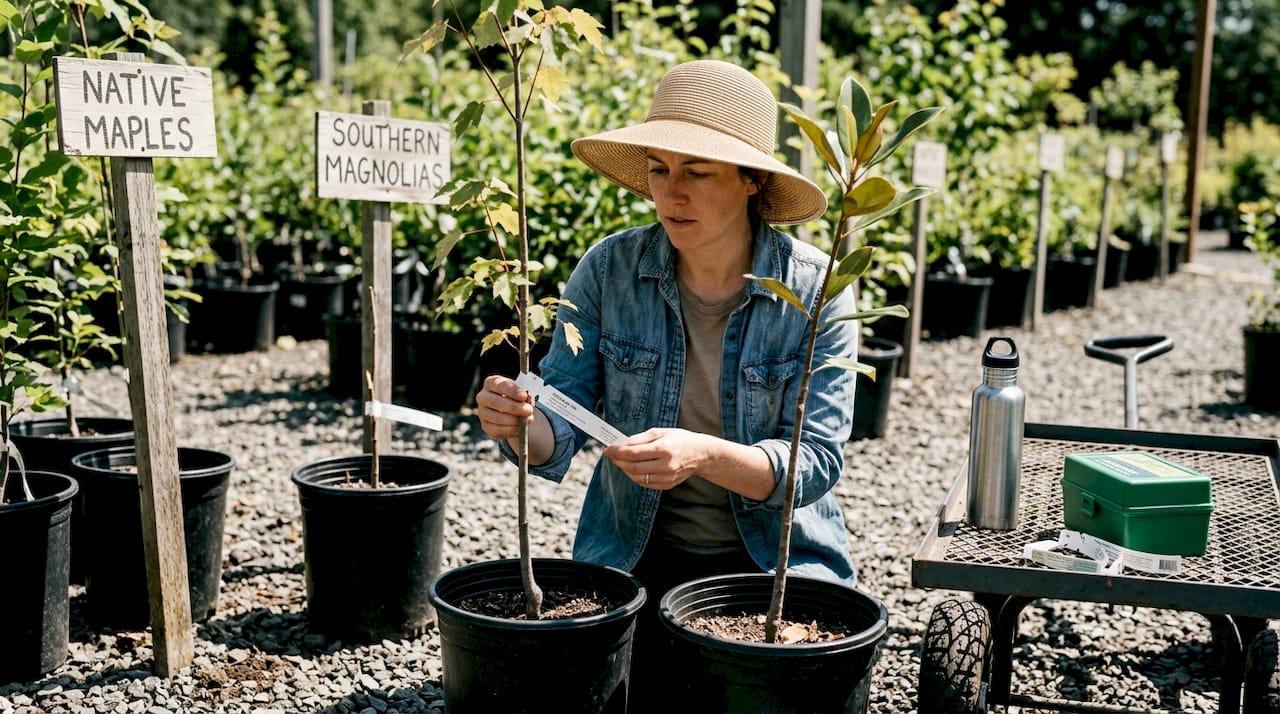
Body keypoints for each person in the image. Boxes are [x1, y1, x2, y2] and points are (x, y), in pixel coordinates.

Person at [474, 58, 861, 701]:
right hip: (635, 557)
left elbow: (814, 464)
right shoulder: (609, 270)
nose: (670, 193)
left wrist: (702, 454)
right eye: (658, 169)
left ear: (751, 182)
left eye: (697, 172)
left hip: (773, 569)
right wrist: (519, 424)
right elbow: (559, 422)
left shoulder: (816, 291)